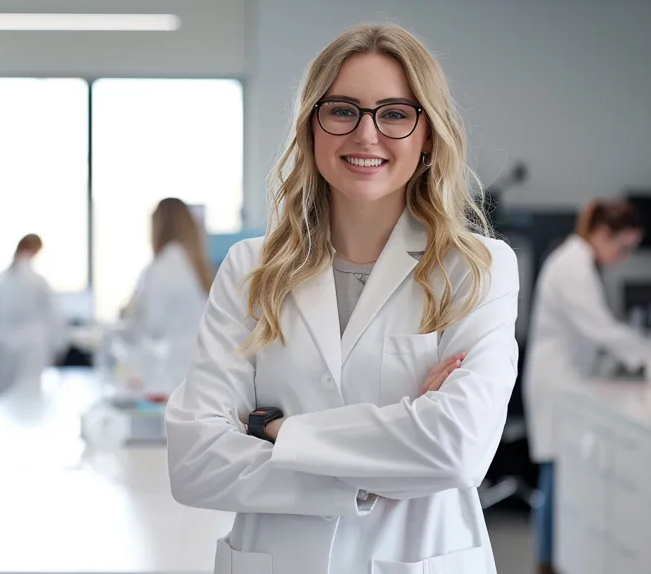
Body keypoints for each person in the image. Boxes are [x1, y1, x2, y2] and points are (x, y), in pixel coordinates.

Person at [164, 23, 520, 574]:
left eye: (396, 113)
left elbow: (457, 448)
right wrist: (390, 447)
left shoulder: (477, 269)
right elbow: (195, 462)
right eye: (343, 110)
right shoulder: (249, 270)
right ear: (312, 127)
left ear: (428, 135)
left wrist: (277, 432)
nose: (367, 134)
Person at [522, 198, 651, 574]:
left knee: (559, 475)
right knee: (555, 476)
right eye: (623, 247)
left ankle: (553, 557)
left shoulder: (580, 261)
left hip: (567, 382)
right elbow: (599, 327)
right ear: (601, 233)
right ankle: (547, 562)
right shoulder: (573, 265)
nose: (624, 257)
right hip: (557, 384)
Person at [124, 197, 214, 395]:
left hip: (168, 374)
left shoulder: (159, 269)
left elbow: (151, 326)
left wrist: (131, 313)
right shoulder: (200, 268)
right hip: (202, 372)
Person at [0, 234, 66, 397]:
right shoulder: (38, 281)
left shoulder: (2, 279)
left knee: (4, 399)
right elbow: (54, 316)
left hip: (5, 343)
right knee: (28, 397)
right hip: (31, 346)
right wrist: (58, 345)